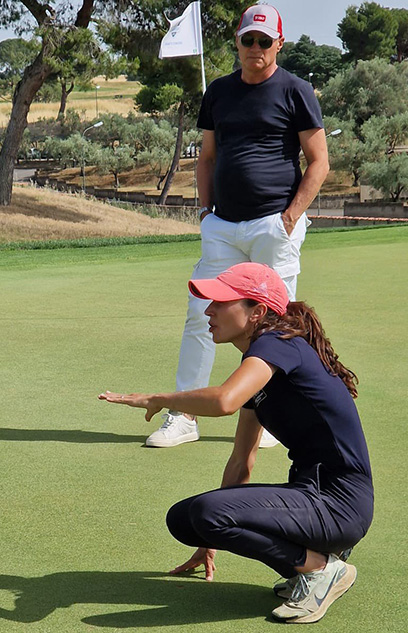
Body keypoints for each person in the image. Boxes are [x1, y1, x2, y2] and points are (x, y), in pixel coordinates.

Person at [100, 262, 373, 624]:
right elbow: (242, 460)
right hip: (312, 496)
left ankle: (321, 568)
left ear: (257, 311)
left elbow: (224, 401)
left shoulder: (280, 344)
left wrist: (162, 398)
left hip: (340, 503)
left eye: (220, 302)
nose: (208, 310)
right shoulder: (260, 364)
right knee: (186, 520)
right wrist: (210, 538)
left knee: (205, 512)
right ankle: (311, 564)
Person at [147, 4, 330, 448]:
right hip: (223, 227)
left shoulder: (296, 90)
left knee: (277, 325)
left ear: (278, 45)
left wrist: (289, 218)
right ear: (237, 42)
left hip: (273, 226)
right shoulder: (220, 93)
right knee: (200, 316)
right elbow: (206, 157)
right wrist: (207, 212)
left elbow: (319, 161)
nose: (256, 48)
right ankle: (185, 414)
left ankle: (272, 417)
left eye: (264, 42)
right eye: (248, 40)